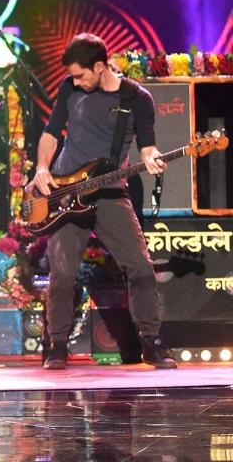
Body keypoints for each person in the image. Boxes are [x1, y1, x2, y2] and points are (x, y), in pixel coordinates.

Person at [32, 33, 176, 370]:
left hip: (111, 192)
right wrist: (41, 168)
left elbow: (148, 147)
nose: (76, 81)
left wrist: (153, 158)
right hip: (66, 193)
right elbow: (52, 133)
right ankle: (57, 345)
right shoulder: (70, 88)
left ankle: (151, 342)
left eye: (82, 75)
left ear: (100, 67)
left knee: (141, 266)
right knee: (62, 272)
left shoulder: (137, 98)